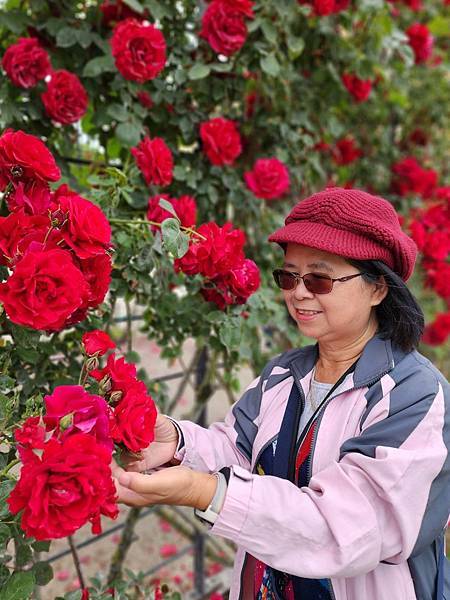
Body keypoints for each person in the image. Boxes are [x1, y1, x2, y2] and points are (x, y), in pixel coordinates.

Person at [113, 187, 450, 600]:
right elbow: (237, 449)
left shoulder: (414, 396)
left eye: (320, 278)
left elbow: (346, 529)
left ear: (378, 287)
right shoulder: (283, 373)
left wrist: (204, 492)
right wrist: (178, 442)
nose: (299, 292)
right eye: (289, 276)